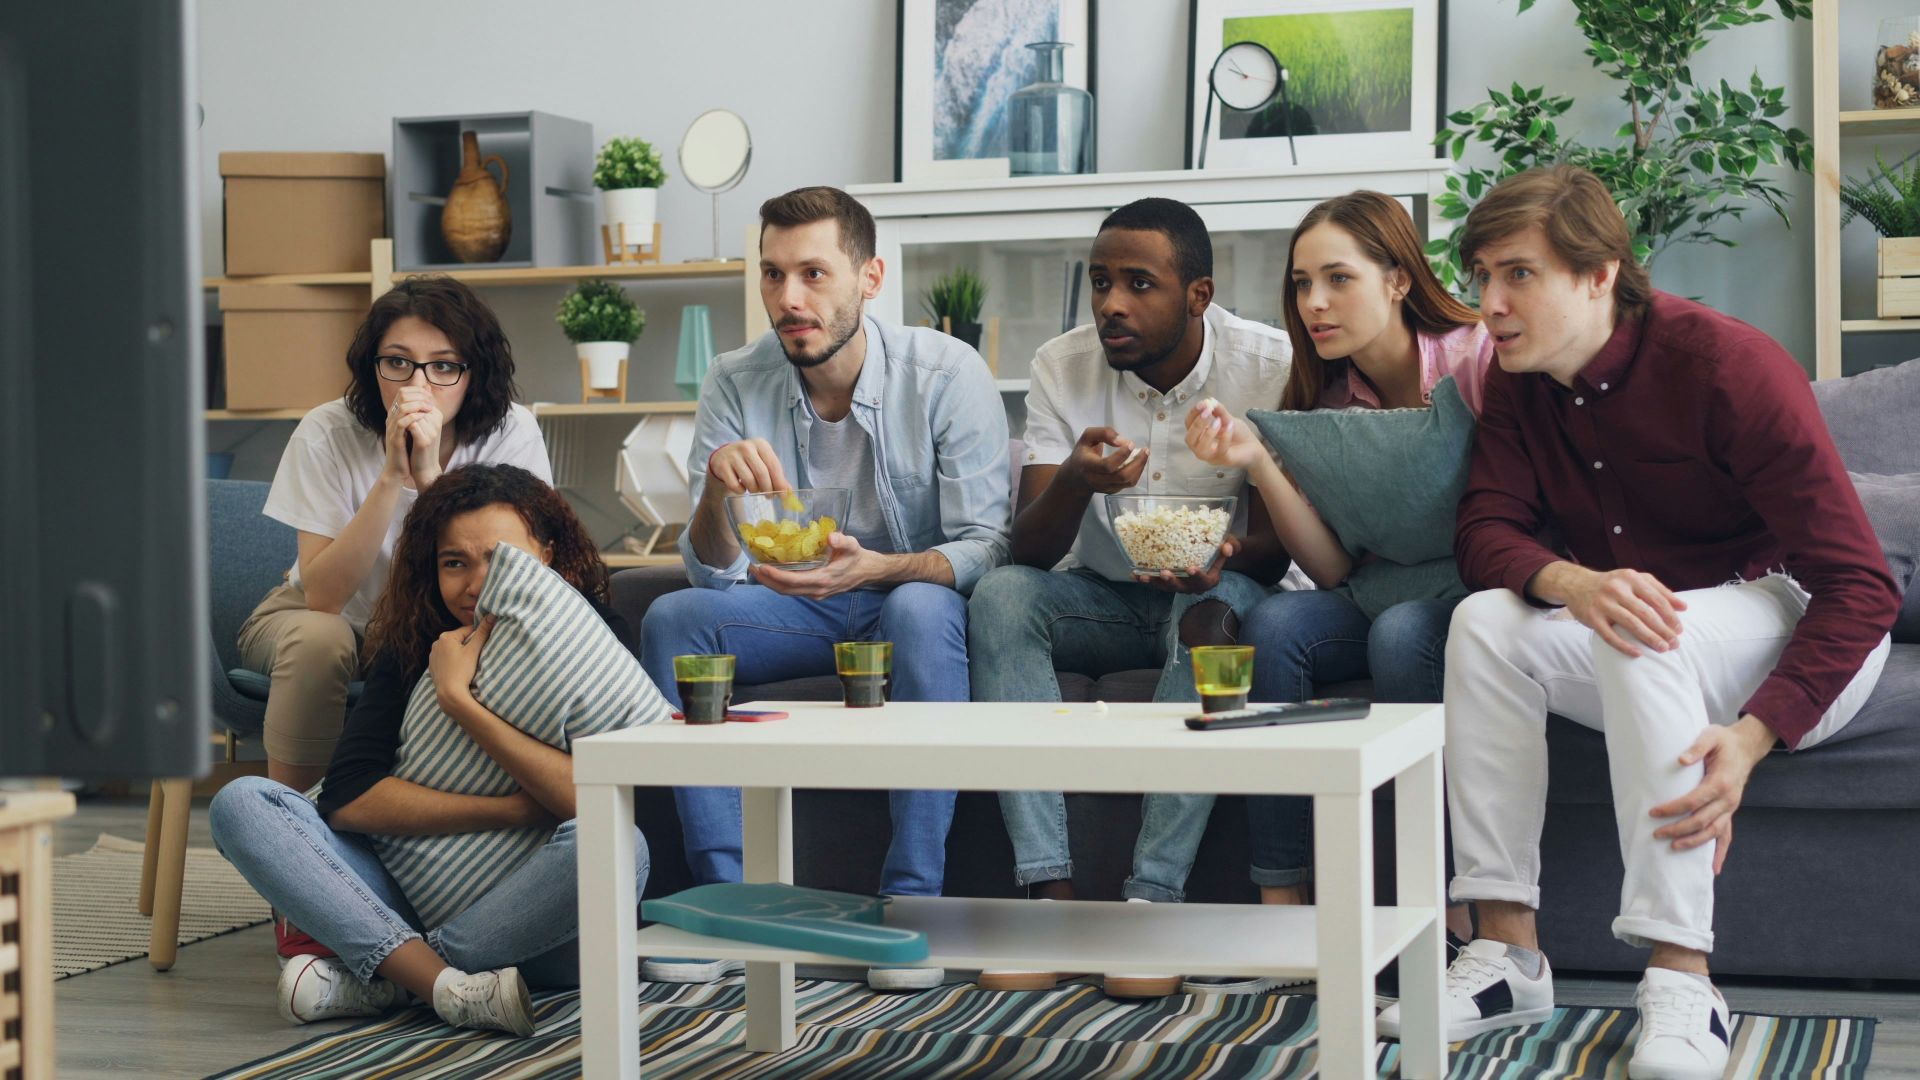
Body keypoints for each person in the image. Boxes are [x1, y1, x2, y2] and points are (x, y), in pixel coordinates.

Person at [1377, 166, 1898, 1080]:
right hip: (1650, 637)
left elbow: (1859, 585)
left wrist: (1751, 738)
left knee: (1641, 626)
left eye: (1519, 274)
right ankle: (1508, 954)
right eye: (1483, 276)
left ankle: (1683, 976)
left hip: (1794, 624)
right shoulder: (1519, 380)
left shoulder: (1727, 365)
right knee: (1485, 623)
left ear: (1599, 274)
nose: (1490, 305)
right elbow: (1485, 531)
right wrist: (1573, 582)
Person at [637, 186, 1011, 993]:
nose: (789, 298)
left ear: (870, 277)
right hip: (795, 605)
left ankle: (912, 903)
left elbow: (988, 546)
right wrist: (715, 493)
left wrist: (879, 567)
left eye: (813, 273)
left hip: (908, 601)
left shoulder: (945, 373)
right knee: (674, 617)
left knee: (919, 607)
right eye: (773, 274)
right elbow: (713, 572)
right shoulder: (735, 379)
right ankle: (730, 904)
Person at [967, 197, 1292, 998]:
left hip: (1219, 593)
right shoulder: (1061, 365)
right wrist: (1076, 481)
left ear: (1198, 295)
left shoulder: (1269, 365)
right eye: (1101, 282)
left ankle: (1153, 901)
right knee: (1002, 596)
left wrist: (1221, 558)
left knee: (1210, 612)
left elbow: (1277, 547)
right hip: (1101, 600)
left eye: (1139, 284)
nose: (1112, 303)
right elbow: (1032, 549)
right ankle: (1048, 898)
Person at [212, 464, 658, 1036]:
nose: (476, 584)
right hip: (404, 893)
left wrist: (458, 701)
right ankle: (443, 986)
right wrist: (513, 810)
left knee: (620, 844)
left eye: (499, 558)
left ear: (546, 555)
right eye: (454, 563)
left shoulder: (595, 636)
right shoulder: (415, 638)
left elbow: (594, 803)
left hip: (537, 928)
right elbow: (348, 799)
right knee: (243, 803)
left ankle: (401, 978)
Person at [1184, 191, 1489, 934]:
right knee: (1276, 625)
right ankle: (1284, 909)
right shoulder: (1328, 401)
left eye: (1338, 278)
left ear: (1399, 279)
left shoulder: (1476, 359)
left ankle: (1446, 911)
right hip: (1378, 590)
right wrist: (1258, 460)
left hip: (1478, 592)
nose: (1314, 303)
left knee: (1402, 634)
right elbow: (1329, 570)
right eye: (1301, 283)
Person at [241, 277, 551, 797]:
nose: (418, 385)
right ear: (373, 367)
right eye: (398, 362)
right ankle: (291, 824)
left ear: (474, 373)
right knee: (321, 641)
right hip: (325, 618)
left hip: (445, 618)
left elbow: (511, 578)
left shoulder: (512, 432)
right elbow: (323, 597)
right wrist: (392, 475)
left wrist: (430, 478)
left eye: (443, 366)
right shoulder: (327, 431)